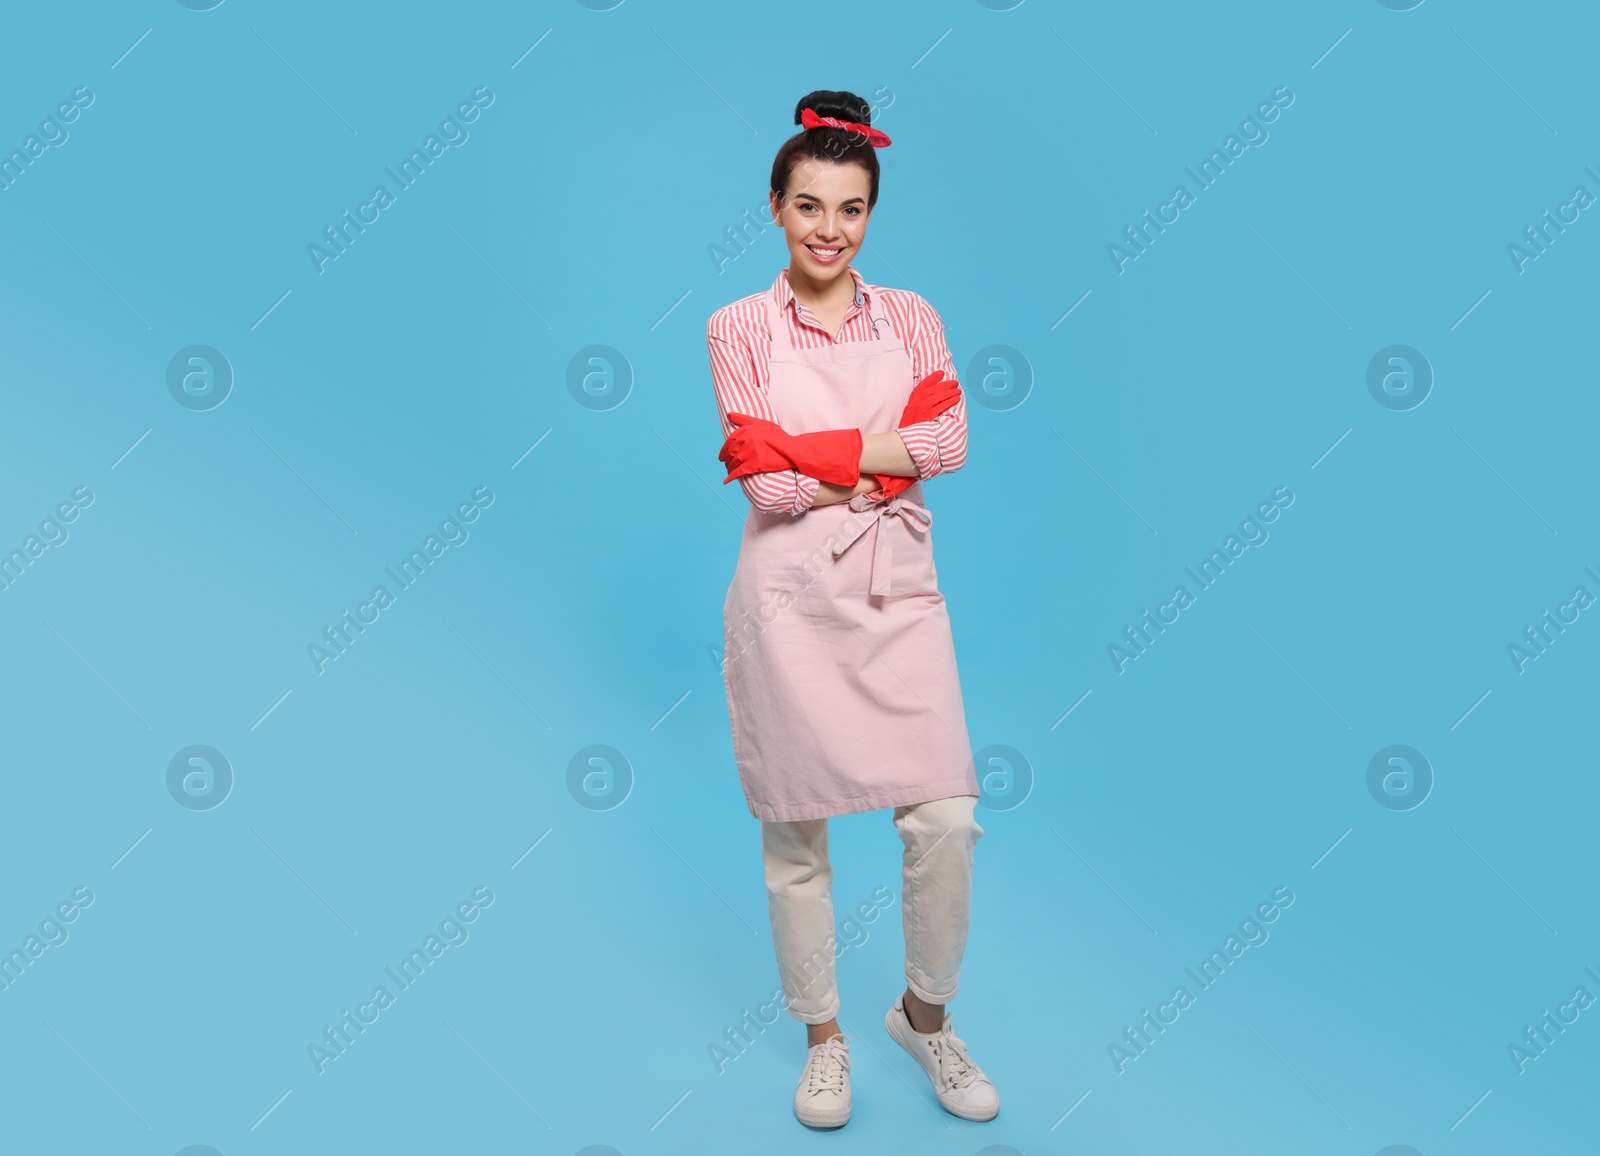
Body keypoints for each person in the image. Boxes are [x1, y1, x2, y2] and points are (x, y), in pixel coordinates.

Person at [705, 88, 999, 1130]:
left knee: (948, 819)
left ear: (871, 213)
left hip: (894, 592)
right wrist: (878, 460)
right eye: (809, 205)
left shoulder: (912, 315)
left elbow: (949, 446)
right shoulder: (735, 326)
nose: (830, 229)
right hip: (786, 601)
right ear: (775, 207)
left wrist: (805, 449)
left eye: (851, 208)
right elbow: (765, 489)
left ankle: (923, 1015)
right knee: (797, 837)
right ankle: (824, 1036)